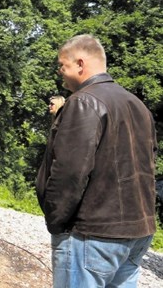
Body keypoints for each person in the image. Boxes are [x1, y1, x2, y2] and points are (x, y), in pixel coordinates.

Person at [36, 34, 157, 288]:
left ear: (80, 64)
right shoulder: (138, 105)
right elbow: (148, 166)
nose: (60, 71)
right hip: (137, 232)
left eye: (63, 65)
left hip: (92, 233)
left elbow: (69, 173)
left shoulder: (83, 102)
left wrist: (56, 223)